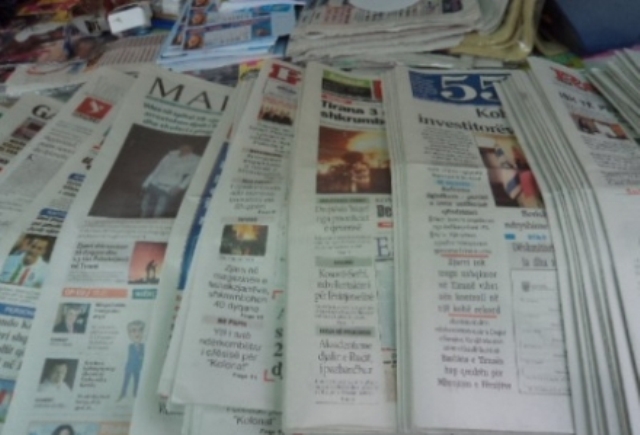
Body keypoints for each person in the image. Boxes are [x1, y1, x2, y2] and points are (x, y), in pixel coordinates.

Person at [141, 144, 201, 218]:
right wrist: (146, 183)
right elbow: (158, 168)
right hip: (154, 184)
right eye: (183, 147)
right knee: (145, 206)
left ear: (192, 149)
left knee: (160, 210)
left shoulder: (196, 160)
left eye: (188, 148)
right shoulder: (170, 155)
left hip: (169, 188)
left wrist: (180, 187)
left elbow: (191, 176)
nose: (185, 149)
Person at [119, 320, 145, 400]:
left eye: (140, 330)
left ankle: (135, 395)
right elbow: (130, 357)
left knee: (137, 381)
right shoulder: (130, 346)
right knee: (126, 381)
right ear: (129, 334)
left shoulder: (143, 346)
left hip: (138, 368)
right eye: (134, 331)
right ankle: (123, 394)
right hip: (130, 368)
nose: (137, 333)